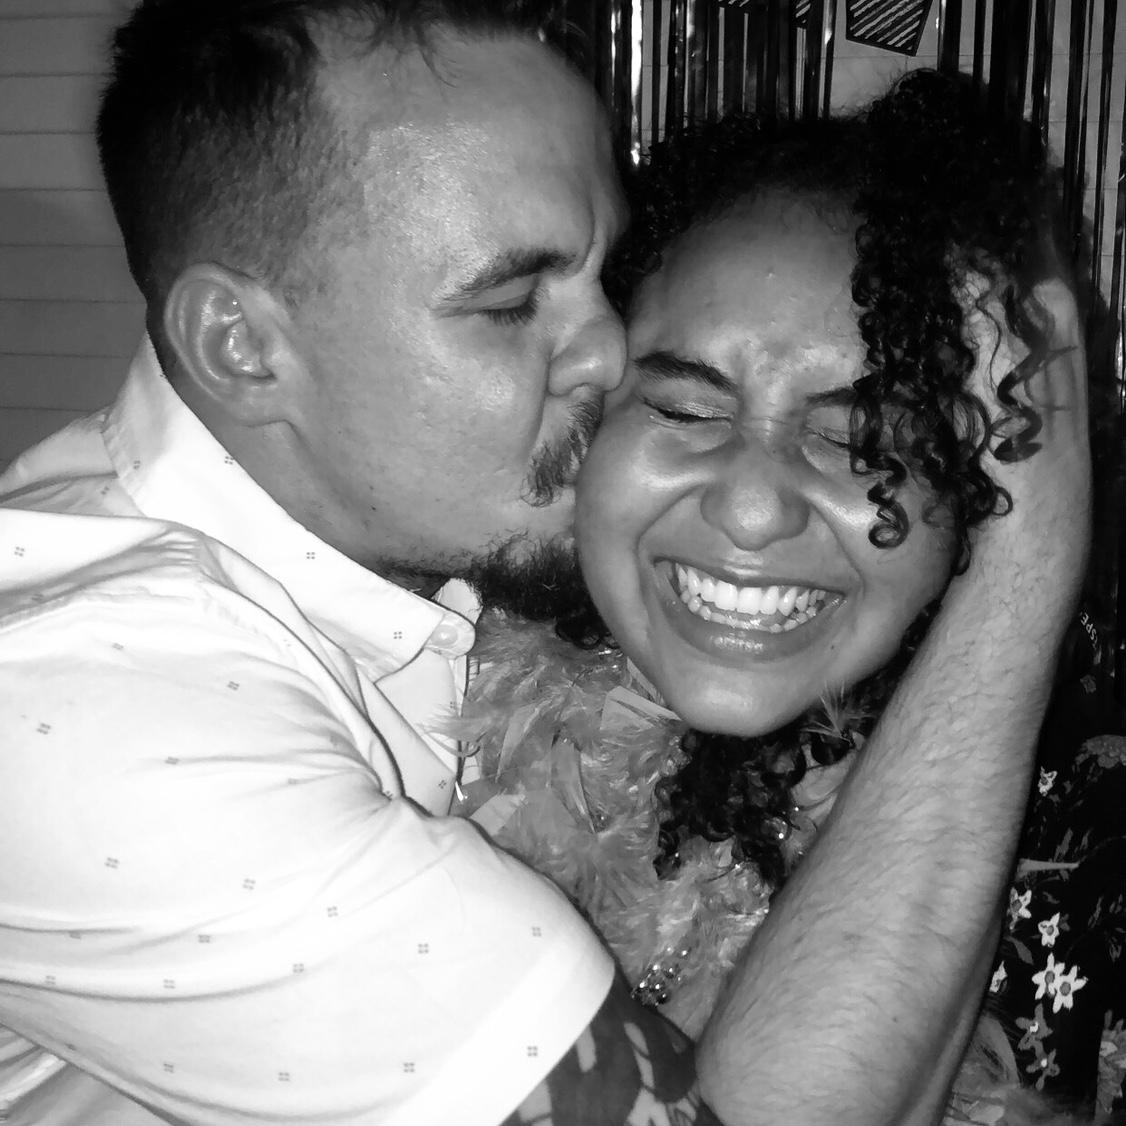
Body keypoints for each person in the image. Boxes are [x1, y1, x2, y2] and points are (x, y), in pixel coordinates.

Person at [0, 0, 1086, 1120]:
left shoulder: (441, 565)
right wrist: (1031, 553)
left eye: (606, 276)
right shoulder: (105, 718)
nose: (612, 356)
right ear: (241, 345)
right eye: (512, 302)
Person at [455, 71, 1097, 1123]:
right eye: (683, 408)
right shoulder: (401, 689)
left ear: (980, 494)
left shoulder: (1087, 852)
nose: (752, 510)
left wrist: (1027, 571)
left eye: (860, 440)